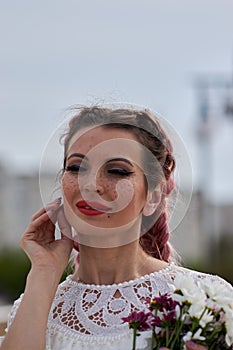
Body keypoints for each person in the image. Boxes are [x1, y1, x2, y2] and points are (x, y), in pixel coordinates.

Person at [0, 106, 232, 350]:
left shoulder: (206, 299)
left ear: (153, 197)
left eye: (116, 171)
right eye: (76, 168)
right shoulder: (35, 305)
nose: (91, 185)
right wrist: (44, 270)